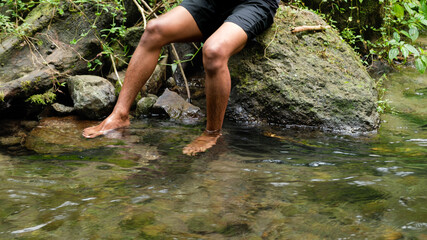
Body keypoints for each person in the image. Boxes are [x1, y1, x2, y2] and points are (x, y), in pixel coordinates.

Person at [83, 0, 279, 155]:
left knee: (214, 51)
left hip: (254, 4)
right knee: (154, 29)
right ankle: (120, 115)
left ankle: (212, 133)